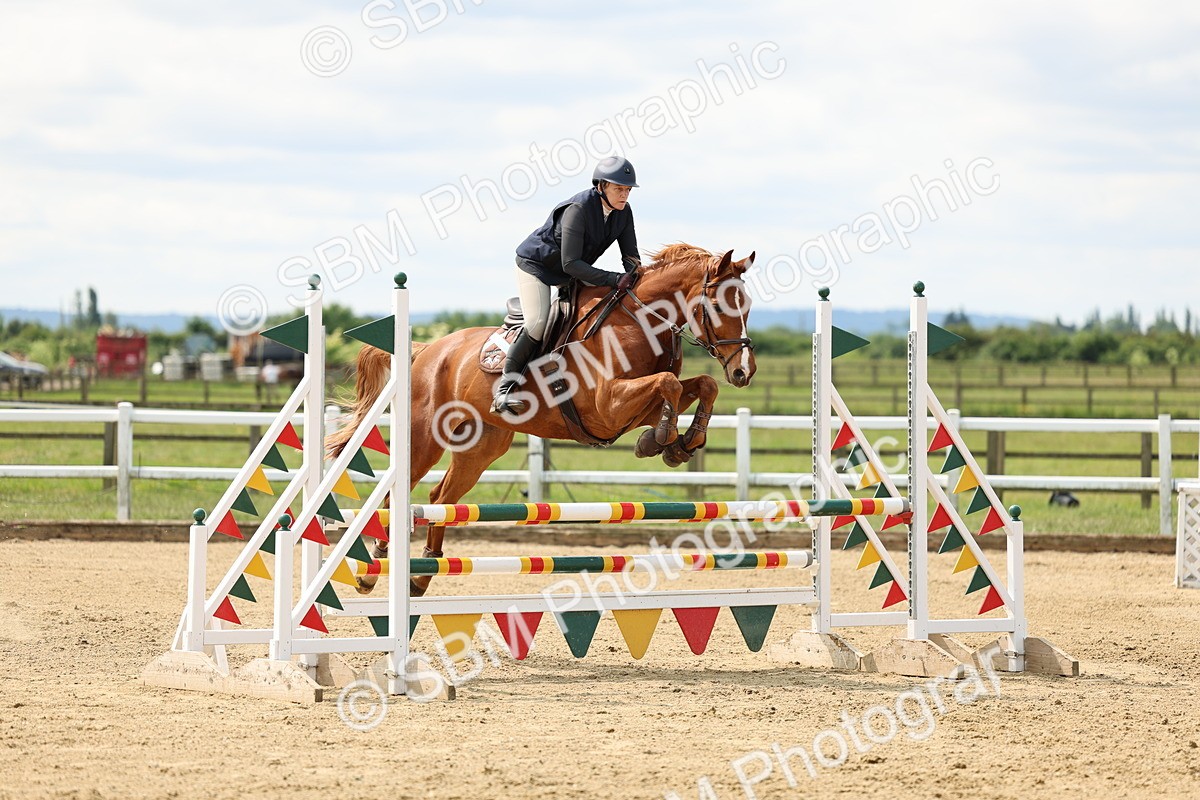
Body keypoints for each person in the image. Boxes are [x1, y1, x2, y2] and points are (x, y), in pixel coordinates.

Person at [491, 155, 643, 414]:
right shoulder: (578, 209)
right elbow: (571, 263)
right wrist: (614, 279)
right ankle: (505, 389)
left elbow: (630, 255)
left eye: (627, 189)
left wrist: (637, 276)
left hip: (571, 272)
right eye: (619, 188)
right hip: (537, 267)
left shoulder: (623, 213)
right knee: (538, 323)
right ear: (601, 186)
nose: (624, 195)